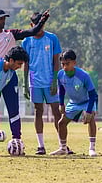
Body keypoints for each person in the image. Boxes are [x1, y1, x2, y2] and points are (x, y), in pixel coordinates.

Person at [0, 9, 49, 149]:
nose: (3, 21)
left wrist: (43, 20)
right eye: (0, 18)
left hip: (9, 78)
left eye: (4, 18)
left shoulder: (11, 34)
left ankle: (17, 139)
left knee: (13, 108)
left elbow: (31, 32)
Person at [22, 12, 70, 155]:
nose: (40, 27)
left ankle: (63, 145)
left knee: (57, 112)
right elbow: (26, 63)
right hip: (35, 82)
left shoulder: (52, 38)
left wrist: (54, 80)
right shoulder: (26, 41)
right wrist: (25, 84)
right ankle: (40, 146)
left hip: (49, 81)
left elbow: (56, 61)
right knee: (38, 112)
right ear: (31, 25)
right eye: (37, 25)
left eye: (41, 24)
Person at [50, 50, 98, 157]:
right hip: (73, 103)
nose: (65, 67)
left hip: (87, 101)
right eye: (63, 64)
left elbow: (92, 94)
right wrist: (61, 104)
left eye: (68, 64)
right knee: (61, 123)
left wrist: (89, 111)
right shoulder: (60, 74)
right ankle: (63, 148)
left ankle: (92, 148)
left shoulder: (84, 75)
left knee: (90, 119)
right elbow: (61, 89)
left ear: (74, 63)